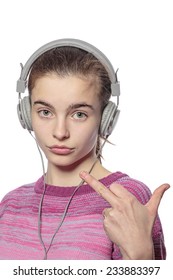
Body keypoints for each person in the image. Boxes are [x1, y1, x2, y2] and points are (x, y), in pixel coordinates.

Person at [0, 38, 169, 260]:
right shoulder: (11, 205)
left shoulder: (126, 199)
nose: (60, 132)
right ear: (25, 113)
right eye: (45, 112)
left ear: (106, 119)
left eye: (79, 114)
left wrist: (141, 257)